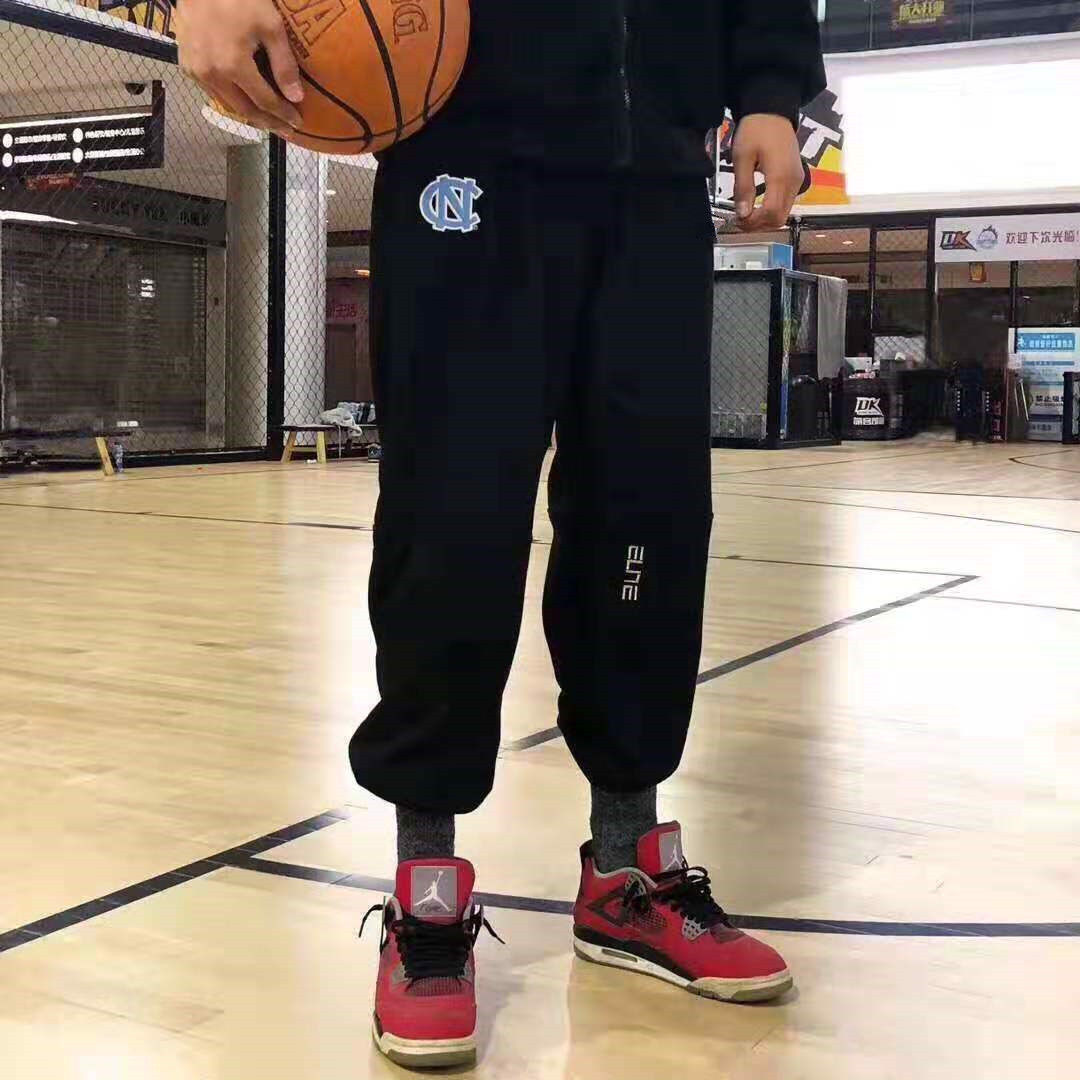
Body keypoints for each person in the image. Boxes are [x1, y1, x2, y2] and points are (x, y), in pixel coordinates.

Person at [176, 0, 825, 1068]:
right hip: (465, 152)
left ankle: (627, 871)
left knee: (649, 525)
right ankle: (427, 891)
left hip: (657, 174)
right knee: (453, 524)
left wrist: (768, 85)